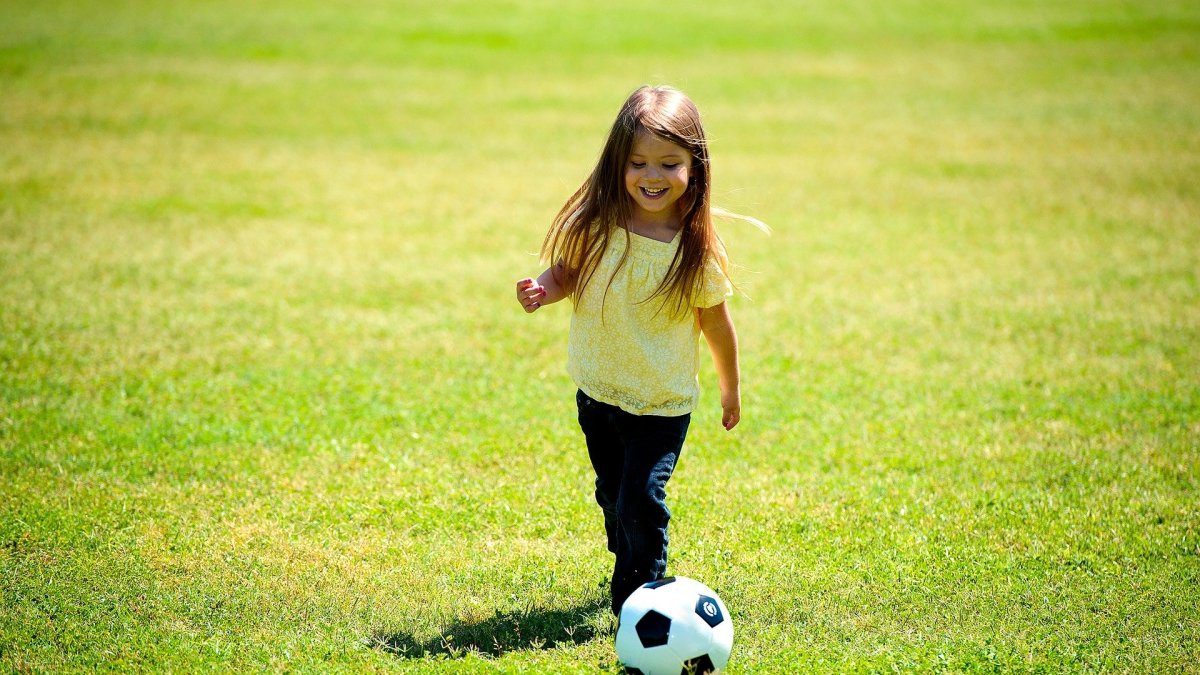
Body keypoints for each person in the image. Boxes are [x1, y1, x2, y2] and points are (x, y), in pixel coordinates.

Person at [515, 85, 751, 615]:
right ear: (617, 162)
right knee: (613, 496)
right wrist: (542, 289)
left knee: (639, 501)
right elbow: (567, 274)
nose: (652, 176)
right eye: (638, 162)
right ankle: (630, 560)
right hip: (598, 392)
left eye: (670, 163)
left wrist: (730, 390)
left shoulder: (694, 252)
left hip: (660, 404)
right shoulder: (595, 226)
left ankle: (642, 601)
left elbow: (717, 326)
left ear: (696, 165)